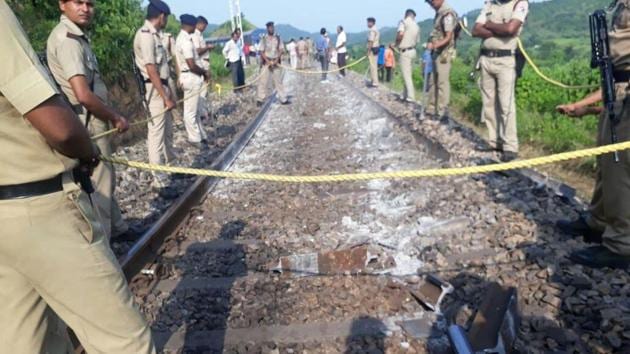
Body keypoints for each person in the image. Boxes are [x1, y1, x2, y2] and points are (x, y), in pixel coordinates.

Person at [0, 1, 156, 353]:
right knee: (124, 342)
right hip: (41, 207)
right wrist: (86, 152)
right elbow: (59, 127)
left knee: (26, 343)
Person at [46, 0, 131, 239]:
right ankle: (105, 242)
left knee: (105, 175)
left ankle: (118, 227)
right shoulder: (68, 40)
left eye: (90, 4)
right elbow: (83, 94)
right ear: (63, 4)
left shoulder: (77, 36)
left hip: (92, 118)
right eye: (78, 2)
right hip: (88, 121)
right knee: (99, 182)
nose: (85, 8)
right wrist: (115, 117)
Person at [555, 0, 630, 269]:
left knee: (620, 169)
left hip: (626, 99)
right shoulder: (620, 6)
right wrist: (584, 105)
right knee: (606, 165)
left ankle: (621, 246)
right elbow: (617, 75)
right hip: (617, 93)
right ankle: (598, 221)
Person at [472, 0, 529, 162]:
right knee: (488, 103)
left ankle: (510, 146)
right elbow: (475, 30)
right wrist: (498, 29)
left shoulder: (519, 3)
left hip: (506, 60)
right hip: (486, 58)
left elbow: (511, 29)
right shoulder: (490, 4)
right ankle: (494, 141)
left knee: (506, 105)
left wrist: (488, 25)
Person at [133, 0, 179, 199]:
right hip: (154, 90)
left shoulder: (156, 35)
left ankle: (170, 169)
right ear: (161, 16)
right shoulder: (145, 35)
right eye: (166, 17)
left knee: (167, 131)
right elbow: (151, 69)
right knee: (156, 136)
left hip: (162, 86)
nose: (166, 21)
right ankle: (159, 181)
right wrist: (164, 96)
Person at [176, 14, 210, 149]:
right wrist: (204, 72)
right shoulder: (185, 41)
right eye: (194, 25)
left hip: (189, 76)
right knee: (190, 111)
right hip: (191, 76)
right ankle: (194, 138)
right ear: (189, 25)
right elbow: (191, 64)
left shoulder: (183, 38)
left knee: (195, 110)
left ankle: (201, 135)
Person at [426, 0, 458, 118]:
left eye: (432, 1)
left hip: (444, 53)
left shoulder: (447, 13)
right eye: (429, 2)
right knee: (432, 82)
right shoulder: (439, 13)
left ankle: (442, 111)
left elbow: (448, 37)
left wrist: (434, 45)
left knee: (442, 82)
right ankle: (431, 108)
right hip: (436, 52)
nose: (431, 3)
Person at [257, 21, 290, 106]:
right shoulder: (264, 39)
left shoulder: (278, 38)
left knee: (278, 81)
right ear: (267, 29)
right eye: (269, 27)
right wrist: (267, 61)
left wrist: (276, 60)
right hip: (266, 62)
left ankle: (283, 98)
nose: (271, 29)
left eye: (272, 27)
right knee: (263, 81)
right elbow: (261, 51)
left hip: (276, 62)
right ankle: (260, 99)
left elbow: (281, 49)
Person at [396, 9, 420, 102]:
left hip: (404, 50)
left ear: (406, 15)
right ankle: (405, 94)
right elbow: (417, 41)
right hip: (413, 51)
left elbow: (400, 34)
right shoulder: (417, 26)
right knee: (408, 73)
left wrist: (396, 43)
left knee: (406, 74)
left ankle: (410, 96)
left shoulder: (403, 22)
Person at [193, 16, 213, 121]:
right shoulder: (195, 35)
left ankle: (204, 112)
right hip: (201, 66)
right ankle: (202, 114)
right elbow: (197, 51)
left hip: (205, 64)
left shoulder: (200, 35)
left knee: (205, 91)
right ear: (200, 24)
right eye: (204, 26)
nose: (205, 28)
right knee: (202, 92)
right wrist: (207, 47)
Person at [366, 17, 380, 88]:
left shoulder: (372, 30)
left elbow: (371, 41)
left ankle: (374, 82)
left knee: (373, 66)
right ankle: (373, 80)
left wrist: (368, 51)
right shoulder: (375, 29)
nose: (367, 24)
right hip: (376, 48)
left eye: (368, 22)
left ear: (372, 22)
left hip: (372, 49)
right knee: (373, 65)